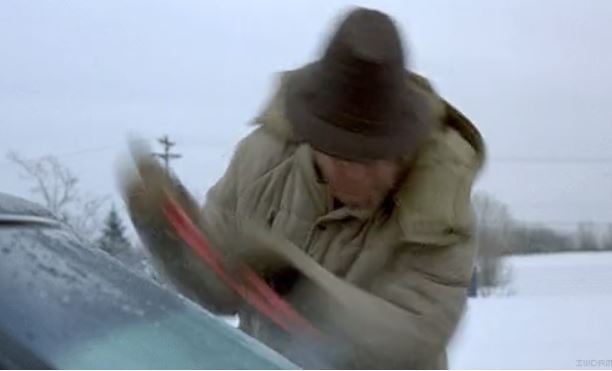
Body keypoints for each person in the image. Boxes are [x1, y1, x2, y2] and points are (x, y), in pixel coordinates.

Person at [123, 7, 485, 369]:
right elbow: (218, 290)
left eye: (374, 159)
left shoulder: (440, 203)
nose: (357, 177)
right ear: (310, 137)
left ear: (405, 145)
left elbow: (413, 338)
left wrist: (293, 282)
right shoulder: (261, 161)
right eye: (342, 157)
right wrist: (167, 233)